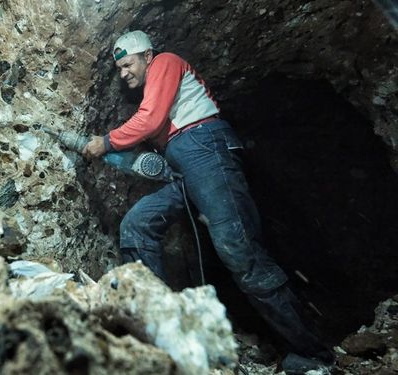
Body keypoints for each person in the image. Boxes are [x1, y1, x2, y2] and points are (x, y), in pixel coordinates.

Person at [82, 30, 333, 373]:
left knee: (238, 250)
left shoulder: (166, 63)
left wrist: (107, 141)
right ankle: (163, 334)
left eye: (127, 64)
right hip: (186, 164)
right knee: (138, 225)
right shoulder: (152, 87)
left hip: (206, 150)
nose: (123, 73)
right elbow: (156, 126)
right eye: (119, 69)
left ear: (147, 55)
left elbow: (151, 118)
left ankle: (313, 352)